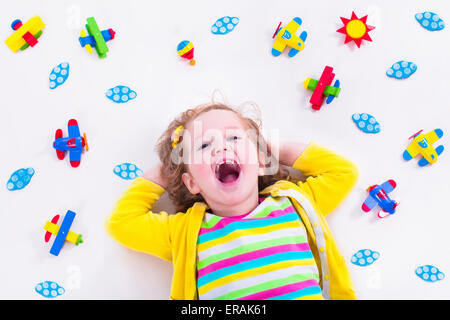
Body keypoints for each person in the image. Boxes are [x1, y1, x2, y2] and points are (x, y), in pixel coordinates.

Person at [105, 102, 359, 300]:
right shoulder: (184, 233)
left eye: (235, 138)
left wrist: (274, 148)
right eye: (203, 146)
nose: (221, 148)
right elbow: (123, 223)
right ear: (191, 182)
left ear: (261, 162)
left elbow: (342, 173)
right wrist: (165, 171)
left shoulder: (295, 204)